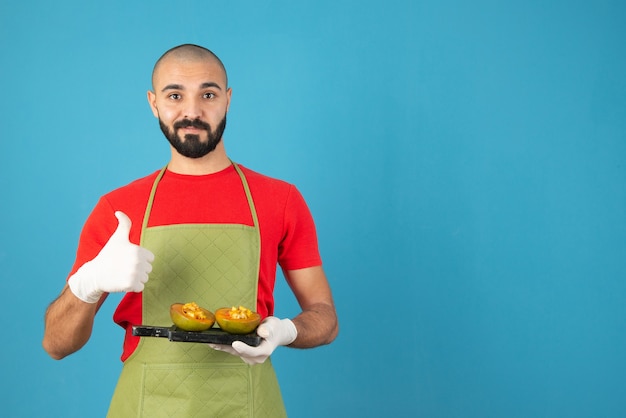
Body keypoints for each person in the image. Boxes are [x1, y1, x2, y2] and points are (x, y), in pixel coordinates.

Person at [42, 43, 339, 417]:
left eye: (208, 94)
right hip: (147, 404)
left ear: (228, 100)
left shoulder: (279, 199)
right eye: (175, 95)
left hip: (247, 401)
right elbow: (56, 344)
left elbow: (325, 317)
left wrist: (286, 332)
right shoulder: (117, 210)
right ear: (153, 103)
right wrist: (88, 285)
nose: (192, 111)